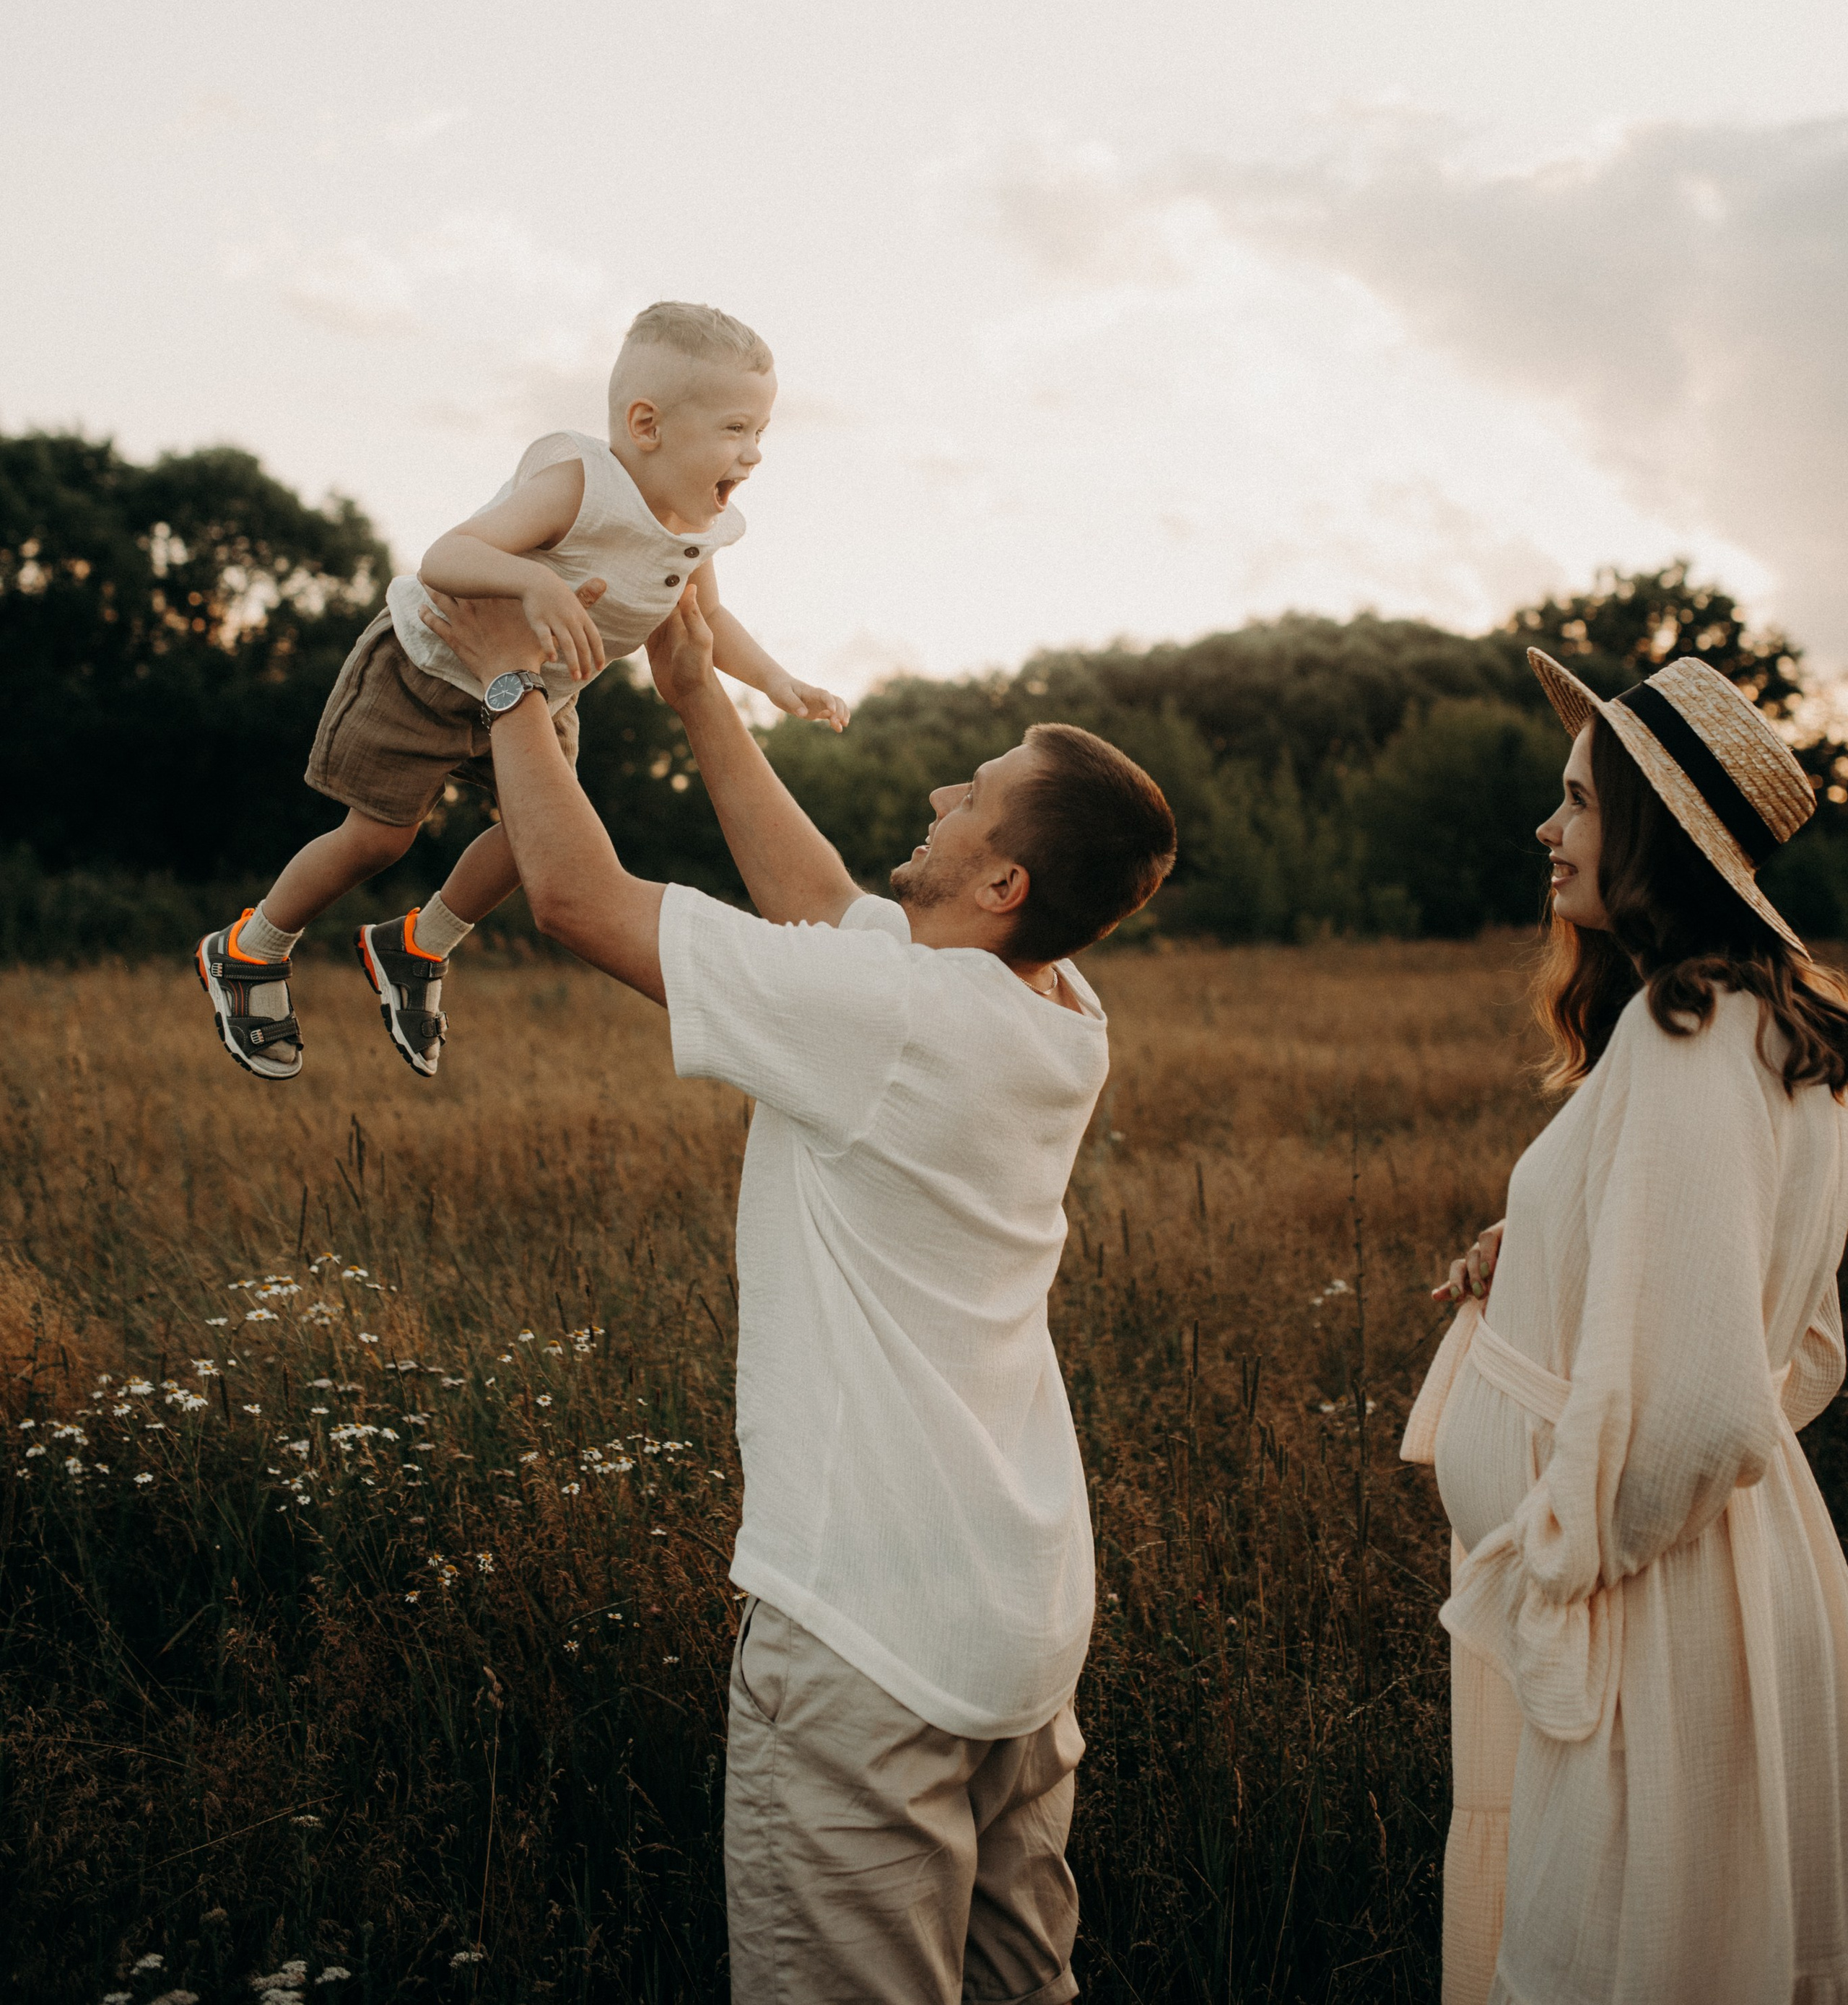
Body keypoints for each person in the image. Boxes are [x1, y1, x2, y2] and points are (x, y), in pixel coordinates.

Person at [416, 568, 1175, 2005]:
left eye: (975, 793)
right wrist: (698, 692)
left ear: (1003, 884)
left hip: (867, 1637)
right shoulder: (1057, 1008)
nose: (944, 788)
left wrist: (512, 683)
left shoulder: (895, 1017)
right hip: (1015, 1627)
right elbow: (825, 906)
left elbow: (576, 899)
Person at [1403, 647, 1848, 2005]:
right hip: (1692, 1577)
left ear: (1653, 826)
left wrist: (1557, 1565)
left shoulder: (1685, 1029)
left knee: (1618, 1958)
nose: (1549, 828)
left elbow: (1710, 1402)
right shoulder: (1761, 1022)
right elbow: (1797, 1337)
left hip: (1648, 1611)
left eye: (1580, 801)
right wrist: (1538, 1251)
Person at [193, 300, 845, 1081]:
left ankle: (417, 943)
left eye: (762, 431)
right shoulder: (579, 484)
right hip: (431, 669)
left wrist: (777, 681)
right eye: (736, 429)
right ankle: (251, 949)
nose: (755, 453)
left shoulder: (696, 532)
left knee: (536, 842)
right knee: (380, 838)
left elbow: (707, 619)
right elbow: (447, 556)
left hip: (539, 699)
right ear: (647, 425)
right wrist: (533, 583)